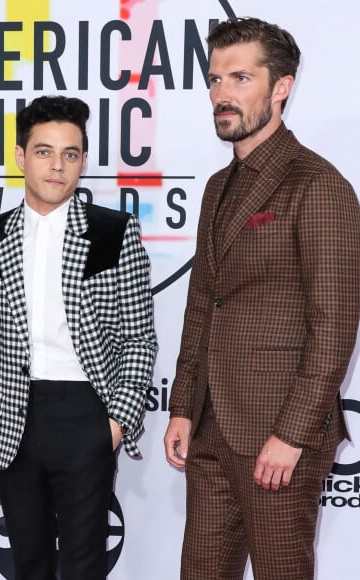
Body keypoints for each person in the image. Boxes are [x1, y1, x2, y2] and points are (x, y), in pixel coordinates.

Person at [163, 17, 360, 580]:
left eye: (240, 78)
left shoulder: (318, 185)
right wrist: (182, 405)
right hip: (210, 427)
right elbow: (203, 304)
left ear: (281, 87)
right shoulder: (218, 188)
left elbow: (336, 325)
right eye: (215, 79)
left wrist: (292, 433)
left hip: (279, 437)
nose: (222, 95)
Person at [0, 95, 157, 579]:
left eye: (70, 154)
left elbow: (139, 338)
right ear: (21, 157)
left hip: (87, 415)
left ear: (83, 162)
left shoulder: (114, 233)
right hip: (11, 417)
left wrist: (115, 422)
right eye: (44, 151)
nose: (57, 165)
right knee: (26, 564)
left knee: (85, 564)